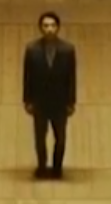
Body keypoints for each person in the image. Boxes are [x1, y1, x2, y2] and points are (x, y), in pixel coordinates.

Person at [22, 10, 78, 179]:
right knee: (40, 138)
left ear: (58, 27)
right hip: (40, 102)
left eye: (52, 25)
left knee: (60, 138)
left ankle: (57, 168)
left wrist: (71, 101)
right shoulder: (32, 49)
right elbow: (27, 76)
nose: (49, 29)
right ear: (40, 28)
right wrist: (27, 100)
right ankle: (41, 166)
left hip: (60, 103)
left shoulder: (68, 50)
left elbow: (71, 77)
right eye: (46, 26)